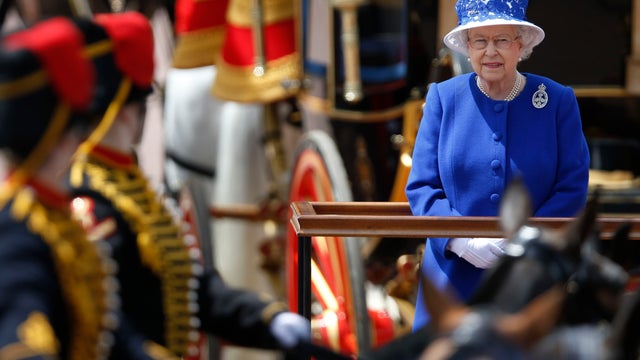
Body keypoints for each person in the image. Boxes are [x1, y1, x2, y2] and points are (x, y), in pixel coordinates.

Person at [67, 12, 310, 359]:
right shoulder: (87, 197)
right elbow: (107, 327)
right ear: (125, 111)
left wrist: (267, 319)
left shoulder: (126, 184)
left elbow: (187, 288)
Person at [405, 0, 590, 330]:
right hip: (451, 280)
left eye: (502, 40)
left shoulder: (557, 100)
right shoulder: (442, 98)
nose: (491, 51)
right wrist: (460, 240)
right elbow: (422, 185)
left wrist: (523, 241)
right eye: (480, 41)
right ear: (467, 48)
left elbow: (572, 187)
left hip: (529, 281)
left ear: (521, 45)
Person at [0, 17, 119, 359]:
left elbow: (115, 337)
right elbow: (23, 343)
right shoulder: (16, 233)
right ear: (59, 138)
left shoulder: (57, 217)